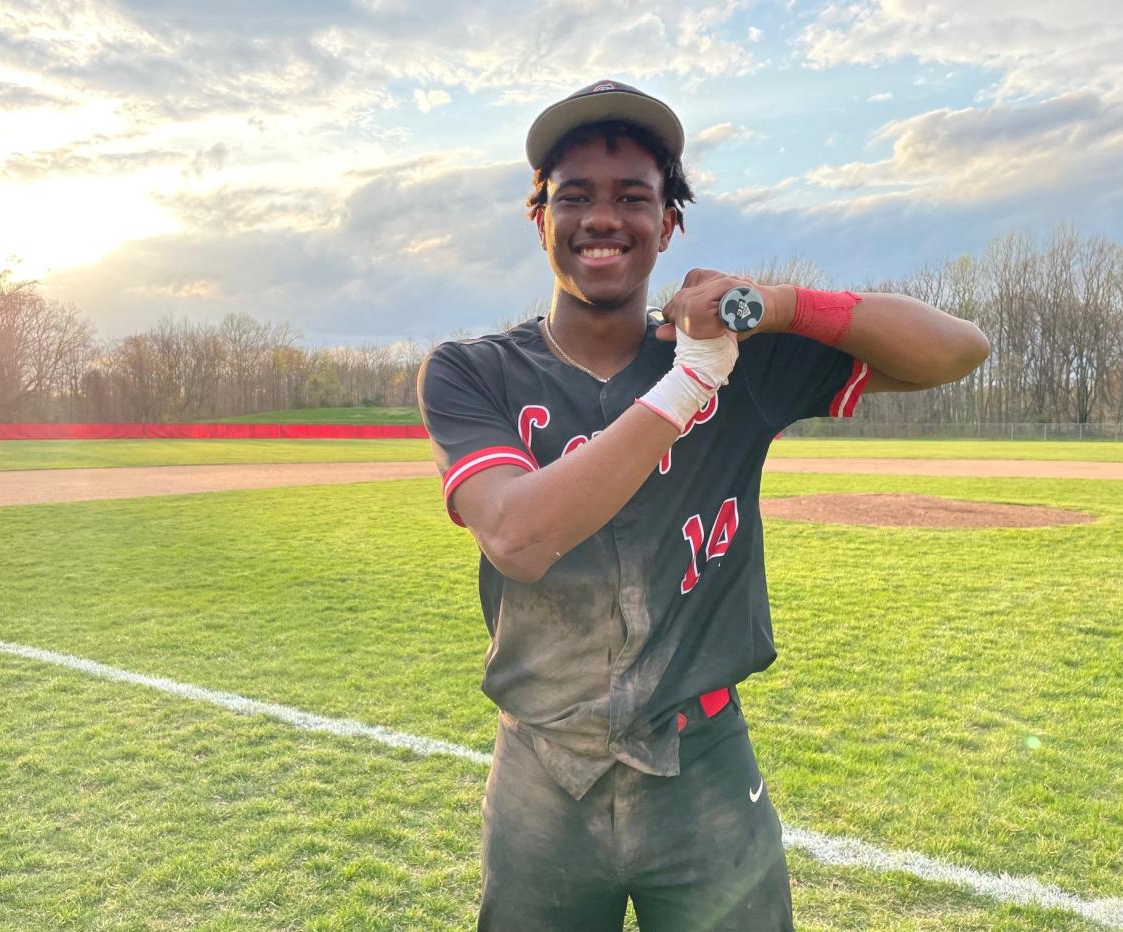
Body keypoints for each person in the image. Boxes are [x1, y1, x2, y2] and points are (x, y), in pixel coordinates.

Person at [417, 80, 989, 931]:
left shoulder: (739, 356)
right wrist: (690, 385)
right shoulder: (473, 370)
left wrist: (775, 308)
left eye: (633, 198)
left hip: (705, 766)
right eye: (573, 197)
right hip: (543, 771)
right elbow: (516, 536)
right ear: (539, 219)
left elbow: (957, 350)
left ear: (669, 225)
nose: (602, 218)